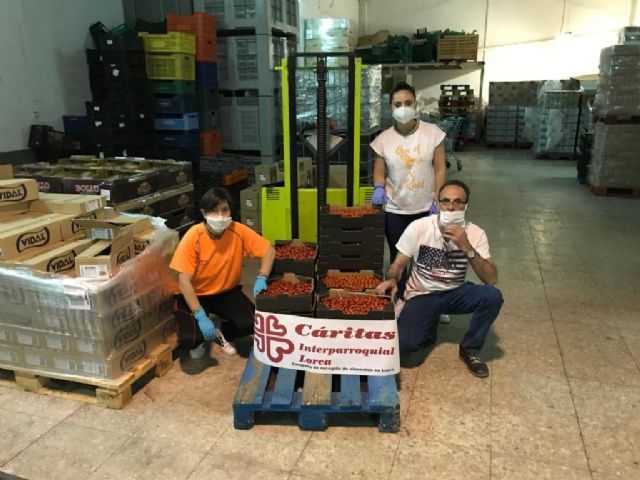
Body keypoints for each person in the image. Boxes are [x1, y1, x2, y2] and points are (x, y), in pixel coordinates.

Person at [376, 180, 503, 378]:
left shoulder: (475, 233)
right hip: (422, 294)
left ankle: (470, 349)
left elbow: (491, 279)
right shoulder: (419, 227)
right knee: (406, 345)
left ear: (466, 207)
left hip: (455, 292)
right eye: (445, 201)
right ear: (437, 204)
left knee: (492, 296)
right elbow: (398, 263)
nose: (451, 207)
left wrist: (467, 247)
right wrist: (392, 278)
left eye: (458, 202)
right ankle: (429, 321)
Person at [170, 187, 275, 359]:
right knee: (191, 338)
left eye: (224, 210)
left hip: (225, 292)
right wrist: (199, 315)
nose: (220, 216)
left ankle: (225, 332)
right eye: (214, 210)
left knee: (253, 323)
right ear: (204, 213)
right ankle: (200, 337)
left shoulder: (237, 230)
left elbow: (269, 251)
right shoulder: (193, 236)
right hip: (195, 294)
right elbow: (184, 281)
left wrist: (262, 277)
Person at [371, 82, 447, 304]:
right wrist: (378, 187)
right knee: (399, 259)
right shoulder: (383, 140)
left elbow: (440, 168)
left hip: (425, 207)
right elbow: (379, 171)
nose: (403, 108)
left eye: (408, 103)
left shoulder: (433, 134)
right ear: (390, 107)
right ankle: (401, 300)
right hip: (395, 209)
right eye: (398, 104)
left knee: (428, 258)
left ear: (415, 104)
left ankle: (431, 302)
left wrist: (439, 198)